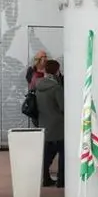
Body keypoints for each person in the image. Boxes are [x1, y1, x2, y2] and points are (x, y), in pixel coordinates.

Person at [35, 60, 65, 188]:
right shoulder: (56, 88)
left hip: (44, 125)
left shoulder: (39, 86)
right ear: (57, 71)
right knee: (63, 154)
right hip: (59, 126)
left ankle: (45, 179)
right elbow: (63, 107)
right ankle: (61, 180)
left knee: (47, 155)